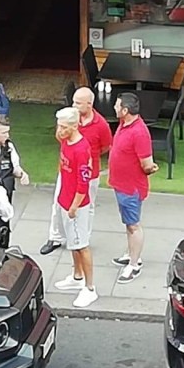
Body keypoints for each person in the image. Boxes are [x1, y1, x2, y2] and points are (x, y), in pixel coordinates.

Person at [41, 86, 111, 255]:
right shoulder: (69, 119)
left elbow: (106, 146)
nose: (74, 105)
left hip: (89, 173)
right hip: (66, 171)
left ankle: (82, 239)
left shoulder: (101, 125)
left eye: (78, 103)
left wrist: (87, 158)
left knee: (88, 206)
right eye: (74, 101)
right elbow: (60, 136)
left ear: (90, 104)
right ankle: (55, 237)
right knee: (58, 203)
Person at [108, 92, 159, 283]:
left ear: (125, 110)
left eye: (117, 105)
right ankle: (131, 254)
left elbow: (147, 164)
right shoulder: (124, 124)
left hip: (131, 188)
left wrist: (151, 168)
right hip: (121, 185)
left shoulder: (139, 132)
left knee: (133, 225)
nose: (114, 108)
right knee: (128, 224)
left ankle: (134, 263)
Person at [52, 107, 97, 308]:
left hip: (76, 205)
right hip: (64, 199)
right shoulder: (65, 139)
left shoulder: (82, 149)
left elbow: (83, 182)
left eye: (63, 127)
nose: (59, 130)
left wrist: (74, 206)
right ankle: (77, 276)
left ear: (73, 126)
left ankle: (90, 288)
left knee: (81, 244)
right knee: (72, 242)